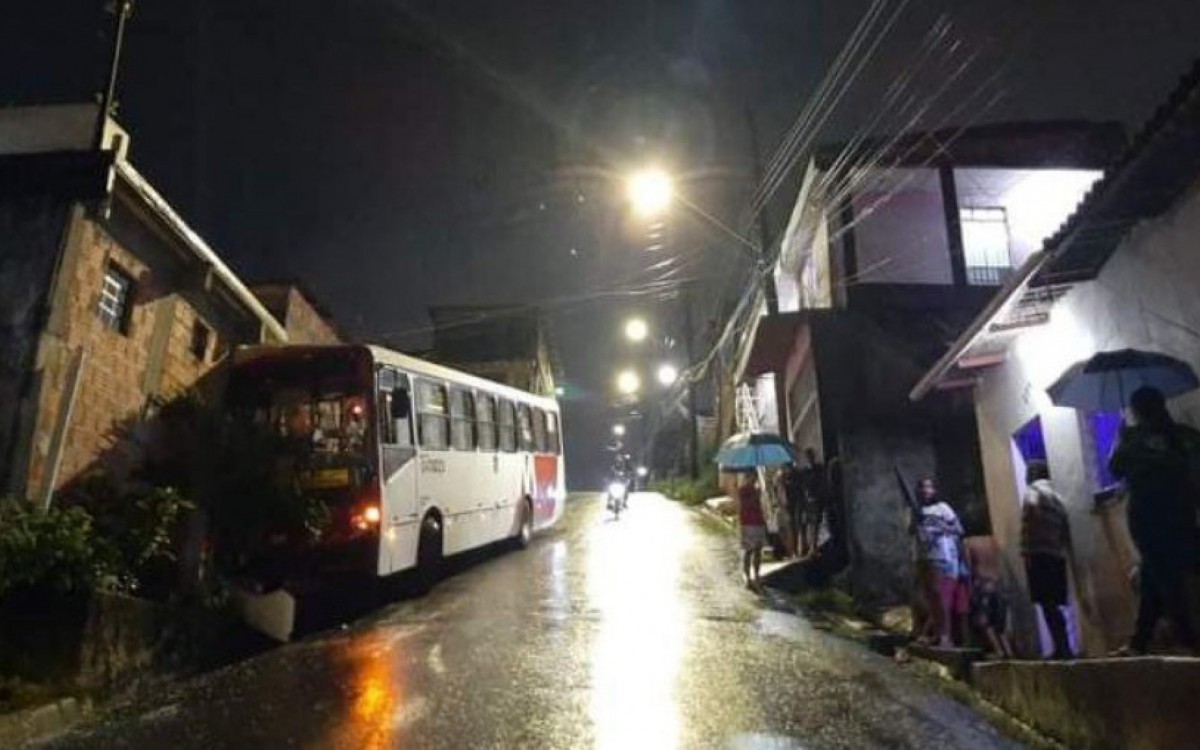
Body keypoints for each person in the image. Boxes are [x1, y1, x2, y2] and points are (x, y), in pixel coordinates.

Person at [1109, 385, 1200, 655]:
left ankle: (1187, 640)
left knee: (1165, 575)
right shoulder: (1187, 436)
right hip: (1183, 512)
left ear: (1137, 411)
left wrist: (1120, 437)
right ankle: (1139, 641)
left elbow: (1114, 469)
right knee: (1153, 572)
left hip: (1147, 517)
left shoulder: (1133, 438)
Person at [1020, 460, 1074, 659]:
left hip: (1038, 553)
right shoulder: (1057, 496)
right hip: (1056, 554)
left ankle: (1062, 648)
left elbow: (1033, 505)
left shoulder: (1033, 491)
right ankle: (1064, 646)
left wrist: (1031, 539)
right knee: (1055, 602)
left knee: (1046, 603)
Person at [910, 477, 965, 647]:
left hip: (940, 554)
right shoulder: (914, 509)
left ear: (934, 490)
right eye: (922, 487)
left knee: (941, 597)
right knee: (930, 597)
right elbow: (911, 531)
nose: (925, 490)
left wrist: (939, 525)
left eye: (929, 487)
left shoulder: (942, 508)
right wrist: (916, 521)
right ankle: (937, 634)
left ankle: (946, 636)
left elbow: (958, 529)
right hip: (921, 555)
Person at [737, 472, 767, 591]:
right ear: (746, 477)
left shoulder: (757, 489)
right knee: (748, 550)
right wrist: (756, 496)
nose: (753, 479)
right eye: (751, 477)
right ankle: (747, 576)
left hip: (758, 521)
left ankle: (757, 574)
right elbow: (745, 505)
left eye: (755, 477)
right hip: (748, 522)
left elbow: (761, 505)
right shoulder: (743, 490)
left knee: (758, 550)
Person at [970, 576, 1014, 659]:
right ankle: (1005, 652)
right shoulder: (986, 596)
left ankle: (1001, 651)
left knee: (995, 630)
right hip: (995, 617)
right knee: (997, 631)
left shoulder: (994, 597)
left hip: (997, 618)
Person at [797, 448, 827, 558]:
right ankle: (811, 547)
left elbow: (822, 483)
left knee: (816, 524)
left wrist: (818, 495)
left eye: (810, 456)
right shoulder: (804, 472)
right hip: (808, 501)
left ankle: (813, 546)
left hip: (816, 499)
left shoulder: (818, 469)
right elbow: (802, 486)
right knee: (810, 524)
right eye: (807, 456)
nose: (809, 458)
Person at [771, 468, 797, 558]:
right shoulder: (776, 488)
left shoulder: (783, 486)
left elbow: (784, 500)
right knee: (781, 530)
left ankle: (791, 551)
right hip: (778, 509)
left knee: (787, 529)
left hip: (783, 508)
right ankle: (789, 551)